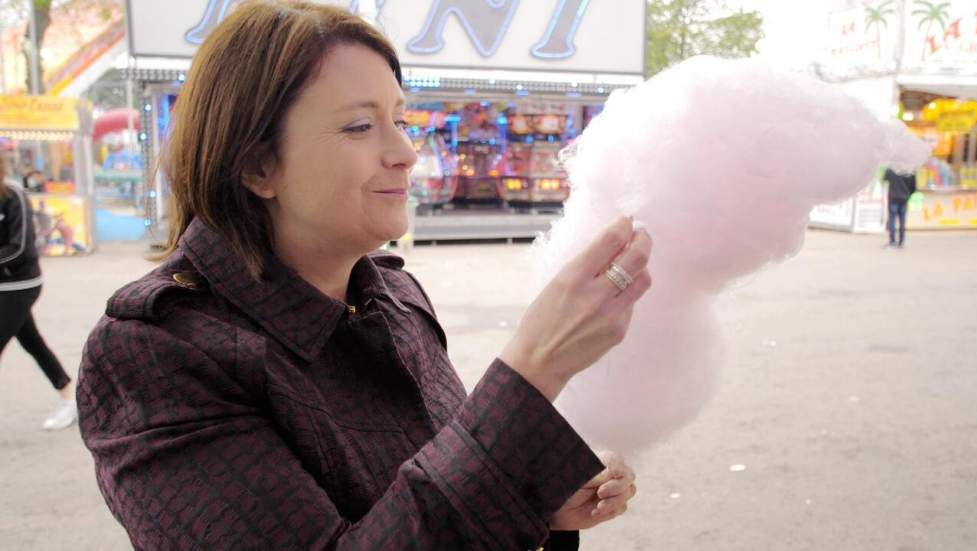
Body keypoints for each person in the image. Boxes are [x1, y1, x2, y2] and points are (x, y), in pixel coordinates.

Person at [76, 2, 652, 549]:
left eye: (400, 120)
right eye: (359, 127)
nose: (405, 151)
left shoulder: (394, 295)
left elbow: (436, 485)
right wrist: (535, 365)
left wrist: (529, 502)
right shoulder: (153, 351)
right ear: (257, 165)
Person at [0, 157, 77, 431]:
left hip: (20, 284)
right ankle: (69, 397)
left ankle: (70, 400)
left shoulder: (13, 195)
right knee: (31, 341)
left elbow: (21, 247)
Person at [883, 167, 917, 248]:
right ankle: (901, 241)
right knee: (902, 221)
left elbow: (885, 178)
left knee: (892, 220)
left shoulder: (892, 168)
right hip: (904, 198)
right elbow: (914, 187)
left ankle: (892, 241)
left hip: (893, 198)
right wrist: (908, 194)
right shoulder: (910, 170)